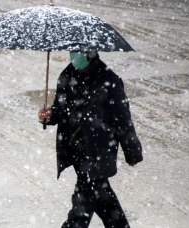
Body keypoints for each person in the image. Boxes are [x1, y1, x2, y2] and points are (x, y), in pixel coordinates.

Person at [38, 50, 143, 228]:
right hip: (76, 150)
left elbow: (123, 120)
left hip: (99, 151)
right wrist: (49, 115)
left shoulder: (109, 80)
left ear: (91, 53)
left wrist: (132, 152)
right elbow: (60, 111)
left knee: (80, 212)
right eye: (73, 51)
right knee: (105, 202)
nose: (75, 56)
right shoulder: (66, 76)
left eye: (80, 51)